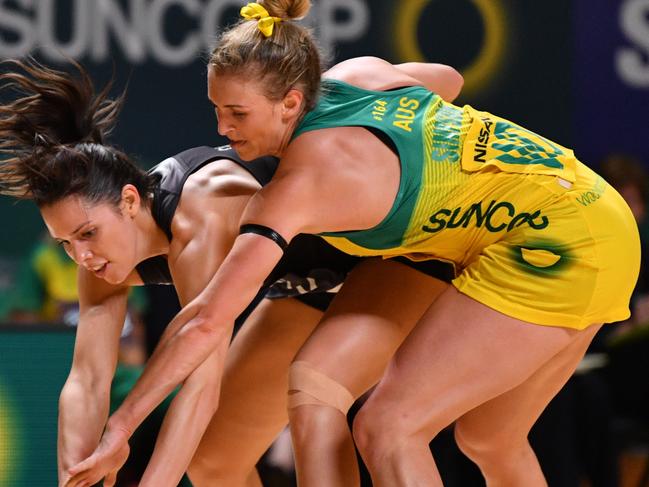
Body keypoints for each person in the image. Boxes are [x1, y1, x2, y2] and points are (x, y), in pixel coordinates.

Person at [66, 1, 641, 486]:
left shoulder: (297, 188)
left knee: (388, 425)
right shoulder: (356, 74)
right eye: (217, 110)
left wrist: (123, 426)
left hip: (551, 248)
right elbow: (447, 79)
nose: (223, 129)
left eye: (237, 113)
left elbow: (205, 324)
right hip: (597, 212)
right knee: (491, 437)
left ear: (291, 103)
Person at [0, 58, 458, 486]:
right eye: (66, 244)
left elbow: (201, 387)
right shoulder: (98, 256)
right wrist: (74, 474)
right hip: (309, 284)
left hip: (393, 255)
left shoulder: (201, 210)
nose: (80, 256)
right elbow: (87, 380)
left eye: (87, 234)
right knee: (214, 461)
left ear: (129, 200)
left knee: (319, 400)